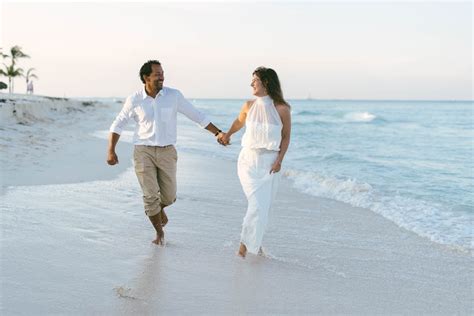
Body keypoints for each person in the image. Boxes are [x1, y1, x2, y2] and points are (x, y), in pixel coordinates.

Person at [107, 60, 225, 246]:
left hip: (167, 151)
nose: (162, 76)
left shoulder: (174, 96)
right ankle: (159, 233)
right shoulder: (135, 99)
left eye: (162, 73)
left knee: (169, 196)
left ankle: (158, 209)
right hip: (143, 150)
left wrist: (217, 132)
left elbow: (196, 115)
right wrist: (111, 151)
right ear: (146, 77)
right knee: (150, 195)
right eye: (157, 74)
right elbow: (118, 124)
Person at [220, 67, 291, 258]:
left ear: (266, 82)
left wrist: (279, 161)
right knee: (257, 205)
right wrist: (227, 135)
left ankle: (254, 244)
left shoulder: (282, 109)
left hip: (269, 163)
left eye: (255, 80)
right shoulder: (249, 105)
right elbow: (238, 122)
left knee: (262, 208)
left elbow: (285, 138)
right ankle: (243, 249)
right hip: (248, 161)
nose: (251, 84)